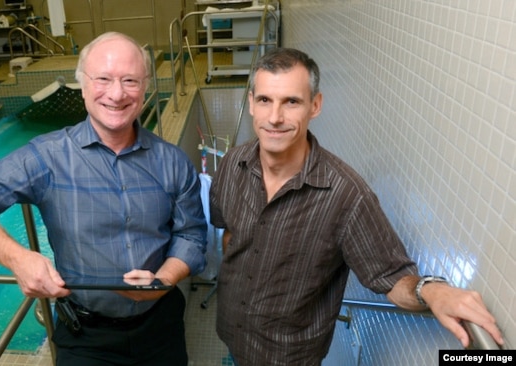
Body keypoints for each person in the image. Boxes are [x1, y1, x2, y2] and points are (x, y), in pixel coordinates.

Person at [208, 47, 504, 365]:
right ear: (251, 103)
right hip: (233, 341)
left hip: (286, 358)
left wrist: (431, 291)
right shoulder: (231, 165)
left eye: (291, 101)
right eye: (265, 100)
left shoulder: (346, 195)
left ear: (315, 105)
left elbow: (391, 277)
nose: (275, 117)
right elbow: (229, 235)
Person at [0, 32, 207, 366]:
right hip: (86, 336)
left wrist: (161, 280)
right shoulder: (48, 157)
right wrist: (18, 258)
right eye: (103, 79)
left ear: (146, 86)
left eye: (130, 80)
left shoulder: (172, 161)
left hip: (160, 325)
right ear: (82, 86)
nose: (117, 93)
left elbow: (191, 235)